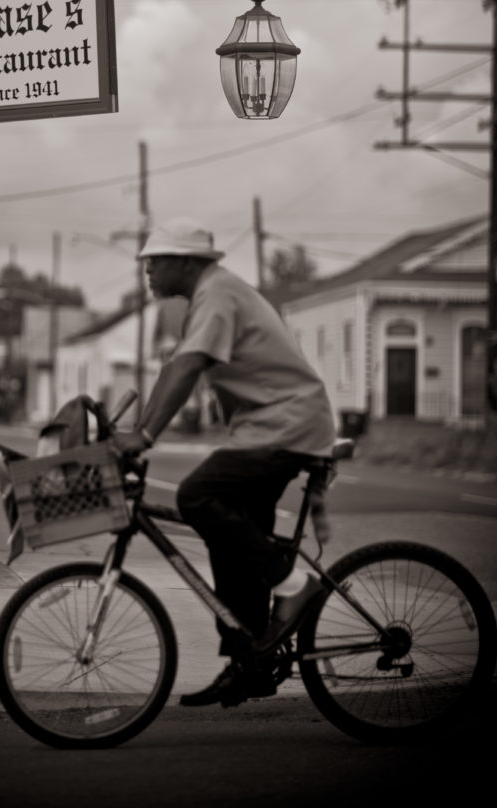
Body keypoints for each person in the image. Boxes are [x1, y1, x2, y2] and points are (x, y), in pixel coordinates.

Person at [113, 218, 336, 707]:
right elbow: (175, 369)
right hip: (267, 429)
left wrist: (144, 436)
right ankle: (248, 662)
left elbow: (189, 368)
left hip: (288, 426)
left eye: (155, 260)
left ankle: (295, 585)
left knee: (196, 496)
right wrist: (137, 433)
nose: (147, 269)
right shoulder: (206, 301)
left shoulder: (217, 294)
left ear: (185, 262)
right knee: (230, 539)